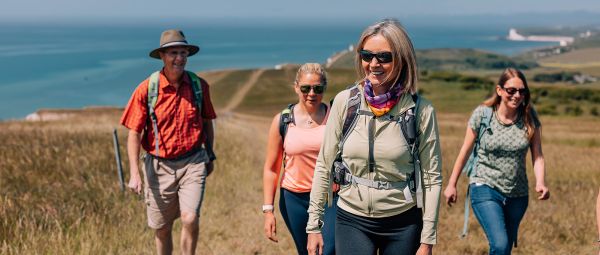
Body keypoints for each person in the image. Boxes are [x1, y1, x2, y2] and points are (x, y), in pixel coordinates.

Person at [306, 19, 442, 255]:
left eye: (384, 57)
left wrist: (428, 239)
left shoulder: (420, 110)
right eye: (367, 55)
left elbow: (432, 177)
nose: (373, 64)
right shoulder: (345, 102)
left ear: (401, 60)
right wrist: (314, 226)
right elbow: (324, 165)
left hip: (403, 222)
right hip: (351, 219)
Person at [120, 29, 217, 255]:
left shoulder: (198, 86)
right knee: (162, 229)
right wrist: (135, 173)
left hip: (193, 161)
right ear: (162, 56)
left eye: (183, 52)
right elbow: (134, 133)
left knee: (190, 218)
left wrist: (210, 154)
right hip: (158, 166)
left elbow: (207, 122)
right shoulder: (146, 90)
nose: (180, 58)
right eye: (174, 53)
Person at [444, 68, 550, 255]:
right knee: (500, 244)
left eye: (522, 91)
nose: (517, 95)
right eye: (511, 90)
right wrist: (452, 184)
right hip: (485, 186)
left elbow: (538, 155)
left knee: (505, 248)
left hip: (518, 193)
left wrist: (541, 182)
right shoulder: (483, 115)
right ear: (499, 90)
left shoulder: (529, 117)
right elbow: (465, 151)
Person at [262, 63, 337, 255]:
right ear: (296, 87)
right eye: (305, 88)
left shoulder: (336, 117)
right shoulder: (282, 120)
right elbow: (271, 168)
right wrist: (268, 211)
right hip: (294, 199)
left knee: (326, 251)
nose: (311, 93)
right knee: (307, 252)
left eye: (318, 88)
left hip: (329, 199)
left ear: (324, 88)